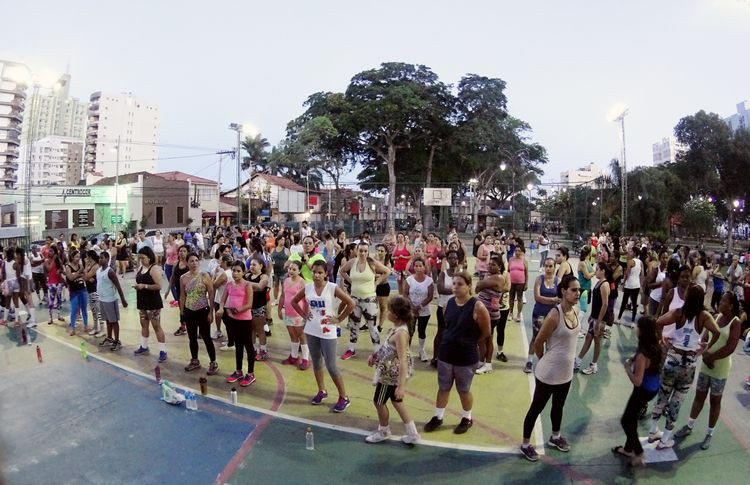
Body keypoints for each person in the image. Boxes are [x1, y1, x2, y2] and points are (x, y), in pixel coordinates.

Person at [650, 285, 720, 449]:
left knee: (663, 396)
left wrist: (663, 339)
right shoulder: (704, 316)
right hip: (689, 363)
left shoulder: (679, 313)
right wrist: (705, 347)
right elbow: (716, 332)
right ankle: (665, 439)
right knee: (677, 401)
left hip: (672, 359)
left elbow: (658, 322)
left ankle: (653, 431)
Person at [520, 274, 581, 462]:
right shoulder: (555, 314)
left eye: (579, 290)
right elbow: (538, 342)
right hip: (548, 374)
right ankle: (525, 444)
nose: (578, 293)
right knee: (536, 409)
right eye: (574, 290)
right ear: (563, 291)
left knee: (558, 406)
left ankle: (555, 437)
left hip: (566, 373)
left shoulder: (576, 310)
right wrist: (544, 360)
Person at [423, 271, 490, 435]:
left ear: (469, 286)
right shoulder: (448, 304)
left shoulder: (477, 307)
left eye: (460, 284)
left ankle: (467, 418)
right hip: (446, 354)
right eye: (454, 284)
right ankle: (438, 417)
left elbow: (486, 332)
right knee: (443, 387)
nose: (455, 287)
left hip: (466, 356)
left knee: (463, 389)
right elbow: (448, 326)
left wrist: (468, 341)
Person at [674, 291, 741, 450]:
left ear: (731, 305)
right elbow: (704, 337)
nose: (720, 302)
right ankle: (689, 426)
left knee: (715, 401)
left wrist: (712, 357)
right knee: (699, 396)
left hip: (720, 368)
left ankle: (709, 434)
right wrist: (705, 354)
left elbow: (731, 347)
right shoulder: (716, 317)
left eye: (724, 300)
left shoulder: (735, 322)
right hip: (706, 364)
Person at [291, 260, 356, 412]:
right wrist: (304, 315)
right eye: (314, 272)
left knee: (331, 366)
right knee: (317, 362)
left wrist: (339, 319)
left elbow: (351, 303)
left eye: (320, 272)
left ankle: (344, 397)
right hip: (312, 329)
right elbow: (294, 302)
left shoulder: (332, 288)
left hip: (328, 331)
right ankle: (322, 391)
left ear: (326, 274)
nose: (316, 275)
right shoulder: (307, 288)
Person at [365, 295, 419, 445]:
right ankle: (412, 433)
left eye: (389, 310)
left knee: (379, 401)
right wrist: (375, 356)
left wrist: (401, 386)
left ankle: (383, 430)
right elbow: (388, 349)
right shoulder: (398, 329)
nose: (387, 313)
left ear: (396, 314)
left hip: (390, 376)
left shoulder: (401, 334)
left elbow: (402, 360)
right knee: (397, 401)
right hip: (392, 371)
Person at [613, 316, 663, 467]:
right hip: (653, 387)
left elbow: (637, 381)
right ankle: (628, 449)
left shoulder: (643, 354)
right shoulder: (654, 345)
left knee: (626, 420)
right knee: (632, 417)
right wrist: (633, 359)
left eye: (638, 326)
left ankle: (638, 452)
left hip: (643, 390)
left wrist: (628, 368)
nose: (635, 328)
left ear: (642, 331)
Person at [339, 242, 392, 360]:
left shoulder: (371, 262)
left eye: (365, 251)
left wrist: (377, 283)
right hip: (355, 299)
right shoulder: (352, 262)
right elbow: (342, 271)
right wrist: (351, 281)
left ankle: (377, 351)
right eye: (360, 250)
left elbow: (387, 271)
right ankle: (351, 349)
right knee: (354, 325)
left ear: (368, 252)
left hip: (369, 300)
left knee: (372, 326)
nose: (362, 253)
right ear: (357, 251)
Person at [218, 261, 257, 387]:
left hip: (245, 320)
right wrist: (221, 308)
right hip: (232, 319)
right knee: (238, 346)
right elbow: (223, 299)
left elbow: (249, 304)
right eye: (234, 270)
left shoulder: (247, 285)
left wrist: (238, 310)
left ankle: (251, 373)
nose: (235, 273)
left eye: (238, 271)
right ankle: (238, 370)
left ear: (244, 272)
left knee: (248, 346)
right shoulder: (229, 285)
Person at [180, 252, 218, 374]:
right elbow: (182, 296)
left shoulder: (204, 276)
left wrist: (211, 312)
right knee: (192, 338)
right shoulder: (183, 278)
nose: (194, 263)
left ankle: (213, 362)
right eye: (191, 261)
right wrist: (182, 313)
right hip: (189, 311)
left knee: (206, 337)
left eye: (196, 260)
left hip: (203, 310)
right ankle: (195, 360)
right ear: (187, 263)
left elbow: (211, 293)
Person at [475, 253, 510, 373]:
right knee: (484, 338)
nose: (490, 266)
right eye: (489, 264)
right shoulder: (488, 275)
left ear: (499, 267)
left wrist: (481, 285)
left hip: (490, 314)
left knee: (485, 338)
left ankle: (488, 363)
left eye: (493, 265)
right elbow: (478, 287)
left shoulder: (499, 278)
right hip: (484, 312)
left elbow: (479, 285)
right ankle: (481, 361)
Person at [575, 263, 612, 375]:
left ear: (603, 271)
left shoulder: (605, 285)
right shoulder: (599, 283)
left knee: (597, 341)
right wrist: (592, 316)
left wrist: (599, 321)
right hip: (595, 317)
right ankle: (578, 361)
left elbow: (605, 305)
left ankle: (593, 365)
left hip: (600, 319)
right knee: (589, 338)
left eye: (597, 270)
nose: (595, 272)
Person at [133, 246, 168, 363]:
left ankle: (163, 351)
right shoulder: (140, 268)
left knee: (156, 326)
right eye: (140, 258)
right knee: (143, 325)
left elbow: (159, 286)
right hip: (142, 301)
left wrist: (145, 286)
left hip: (153, 303)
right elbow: (139, 280)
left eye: (143, 258)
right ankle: (144, 346)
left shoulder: (154, 268)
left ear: (149, 257)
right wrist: (138, 286)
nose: (141, 260)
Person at [527, 258, 559, 373]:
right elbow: (537, 297)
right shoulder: (539, 279)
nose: (548, 269)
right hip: (539, 314)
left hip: (552, 316)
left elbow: (560, 299)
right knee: (536, 337)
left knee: (550, 338)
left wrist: (548, 300)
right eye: (546, 266)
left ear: (555, 267)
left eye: (551, 266)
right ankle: (529, 361)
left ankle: (546, 361)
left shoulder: (558, 281)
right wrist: (553, 300)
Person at [278, 260, 310, 369]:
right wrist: (279, 309)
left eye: (294, 269)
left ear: (299, 271)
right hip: (288, 313)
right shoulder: (286, 281)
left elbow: (306, 300)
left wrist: (306, 314)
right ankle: (294, 356)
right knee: (292, 336)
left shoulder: (302, 283)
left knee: (301, 336)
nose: (291, 271)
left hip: (298, 314)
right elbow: (283, 296)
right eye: (290, 268)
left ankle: (305, 359)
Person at [95, 252, 128, 351]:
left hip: (110, 300)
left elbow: (118, 286)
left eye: (102, 258)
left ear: (107, 259)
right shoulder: (98, 271)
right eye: (99, 258)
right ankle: (109, 338)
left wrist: (123, 300)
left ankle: (117, 341)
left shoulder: (110, 272)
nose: (100, 260)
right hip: (102, 299)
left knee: (113, 321)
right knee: (108, 321)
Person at [404, 258, 434, 362]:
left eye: (420, 266)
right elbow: (405, 294)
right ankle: (406, 351)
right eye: (416, 266)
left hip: (424, 311)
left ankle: (421, 350)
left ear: (424, 267)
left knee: (422, 331)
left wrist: (419, 307)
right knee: (410, 331)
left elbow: (430, 296)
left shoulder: (429, 281)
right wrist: (412, 307)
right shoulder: (409, 280)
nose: (418, 268)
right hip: (411, 310)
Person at [432, 250, 458, 368]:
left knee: (456, 333)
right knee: (441, 332)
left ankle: (452, 357)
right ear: (447, 260)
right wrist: (456, 290)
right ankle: (436, 356)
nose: (454, 260)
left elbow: (468, 289)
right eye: (451, 258)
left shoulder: (461, 273)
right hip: (443, 307)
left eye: (455, 258)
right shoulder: (443, 274)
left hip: (458, 308)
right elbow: (441, 289)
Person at [166, 245, 190, 335]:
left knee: (191, 310)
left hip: (189, 291)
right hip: (179, 291)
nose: (181, 252)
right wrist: (168, 289)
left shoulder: (189, 263)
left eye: (184, 251)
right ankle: (183, 327)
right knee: (182, 309)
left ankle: (196, 328)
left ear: (187, 253)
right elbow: (172, 276)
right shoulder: (176, 263)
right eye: (180, 251)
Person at [64, 250, 89, 336]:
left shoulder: (81, 266)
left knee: (84, 308)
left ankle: (86, 325)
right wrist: (79, 273)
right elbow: (70, 278)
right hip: (74, 292)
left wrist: (81, 273)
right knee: (74, 309)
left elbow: (85, 276)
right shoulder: (68, 267)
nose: (78, 259)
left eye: (79, 257)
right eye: (76, 257)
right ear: (72, 257)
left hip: (82, 289)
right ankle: (72, 328)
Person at [618, 247, 642, 327]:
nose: (629, 252)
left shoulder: (630, 262)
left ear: (634, 253)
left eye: (631, 251)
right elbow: (642, 275)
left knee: (624, 302)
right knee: (634, 303)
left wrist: (623, 283)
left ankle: (618, 319)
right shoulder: (640, 262)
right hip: (637, 285)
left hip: (629, 284)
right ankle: (632, 322)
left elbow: (627, 274)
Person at [213, 255, 233, 350]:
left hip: (223, 300)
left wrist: (214, 274)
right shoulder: (232, 272)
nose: (219, 263)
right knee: (229, 322)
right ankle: (231, 340)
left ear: (225, 262)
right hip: (230, 301)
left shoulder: (224, 274)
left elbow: (214, 285)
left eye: (221, 261)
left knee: (227, 322)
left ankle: (231, 344)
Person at [83, 250, 104, 338]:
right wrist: (87, 276)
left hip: (95, 291)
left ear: (90, 257)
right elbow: (85, 276)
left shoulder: (95, 266)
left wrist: (87, 277)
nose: (86, 258)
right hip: (90, 290)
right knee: (94, 311)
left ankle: (102, 329)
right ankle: (96, 328)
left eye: (87, 256)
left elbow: (86, 276)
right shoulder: (90, 265)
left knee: (98, 311)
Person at [43, 245, 65, 324]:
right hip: (51, 283)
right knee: (51, 301)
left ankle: (59, 315)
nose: (50, 252)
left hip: (58, 282)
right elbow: (48, 269)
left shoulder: (59, 260)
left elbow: (62, 269)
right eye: (49, 250)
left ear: (55, 252)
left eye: (52, 251)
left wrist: (60, 270)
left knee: (59, 299)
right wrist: (53, 260)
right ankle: (50, 317)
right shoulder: (46, 261)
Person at [508, 241, 529, 323]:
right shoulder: (511, 259)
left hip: (521, 282)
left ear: (521, 251)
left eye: (519, 251)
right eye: (516, 250)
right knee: (511, 298)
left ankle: (518, 314)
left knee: (519, 299)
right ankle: (510, 313)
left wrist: (526, 283)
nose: (517, 252)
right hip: (511, 282)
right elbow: (508, 271)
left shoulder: (524, 261)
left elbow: (526, 273)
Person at [646, 251, 668, 316]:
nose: (665, 260)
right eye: (663, 258)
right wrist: (661, 283)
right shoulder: (656, 270)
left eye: (666, 258)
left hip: (664, 301)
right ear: (659, 259)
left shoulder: (669, 271)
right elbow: (649, 285)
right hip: (654, 299)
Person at [271, 236, 290, 305]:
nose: (283, 241)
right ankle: (276, 300)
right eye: (281, 239)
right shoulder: (273, 249)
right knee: (275, 286)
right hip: (275, 272)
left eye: (284, 240)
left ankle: (283, 301)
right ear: (278, 240)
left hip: (284, 272)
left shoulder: (286, 250)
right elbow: (270, 259)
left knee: (283, 287)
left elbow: (290, 260)